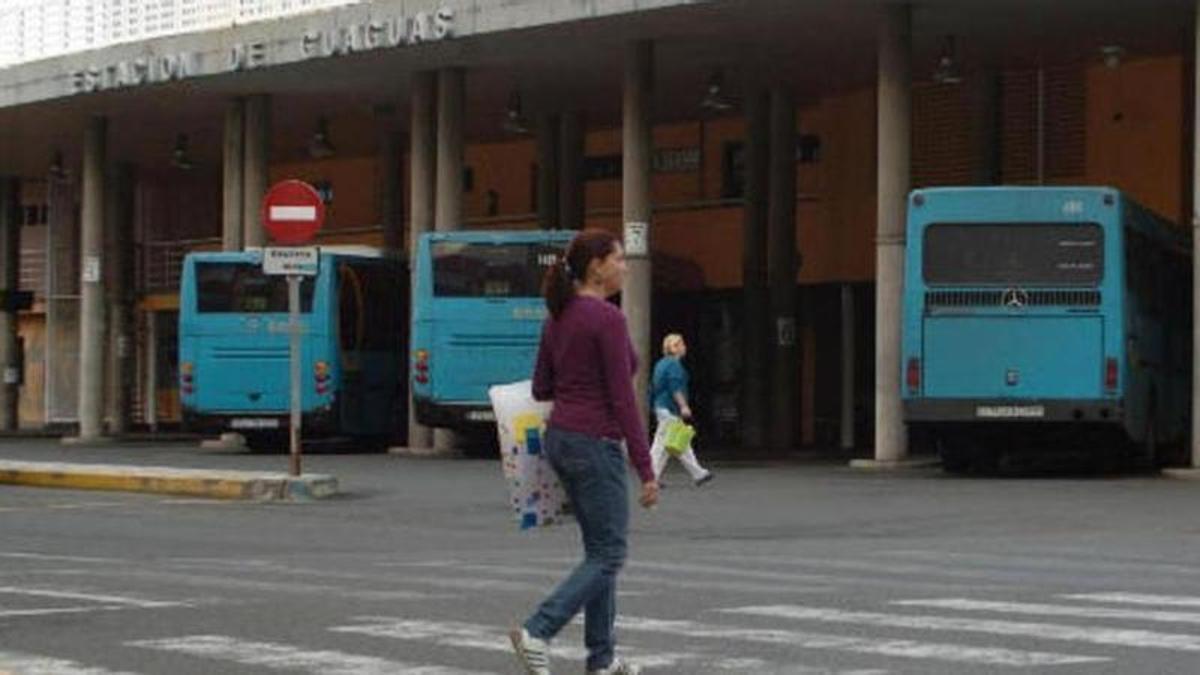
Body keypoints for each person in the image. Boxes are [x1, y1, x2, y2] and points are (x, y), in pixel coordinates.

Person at [509, 228, 658, 675]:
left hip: (562, 438)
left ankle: (603, 659)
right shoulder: (606, 319)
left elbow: (541, 386)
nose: (625, 266)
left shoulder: (559, 315)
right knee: (610, 553)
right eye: (619, 258)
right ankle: (538, 630)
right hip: (595, 441)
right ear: (596, 267)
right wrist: (646, 468)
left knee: (599, 551)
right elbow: (622, 398)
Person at [649, 333, 713, 487]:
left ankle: (698, 473)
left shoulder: (661, 364)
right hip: (670, 408)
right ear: (674, 348)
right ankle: (652, 476)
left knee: (672, 443)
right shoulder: (674, 365)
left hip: (661, 406)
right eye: (681, 344)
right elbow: (675, 388)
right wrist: (684, 406)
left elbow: (654, 387)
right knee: (667, 444)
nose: (684, 347)